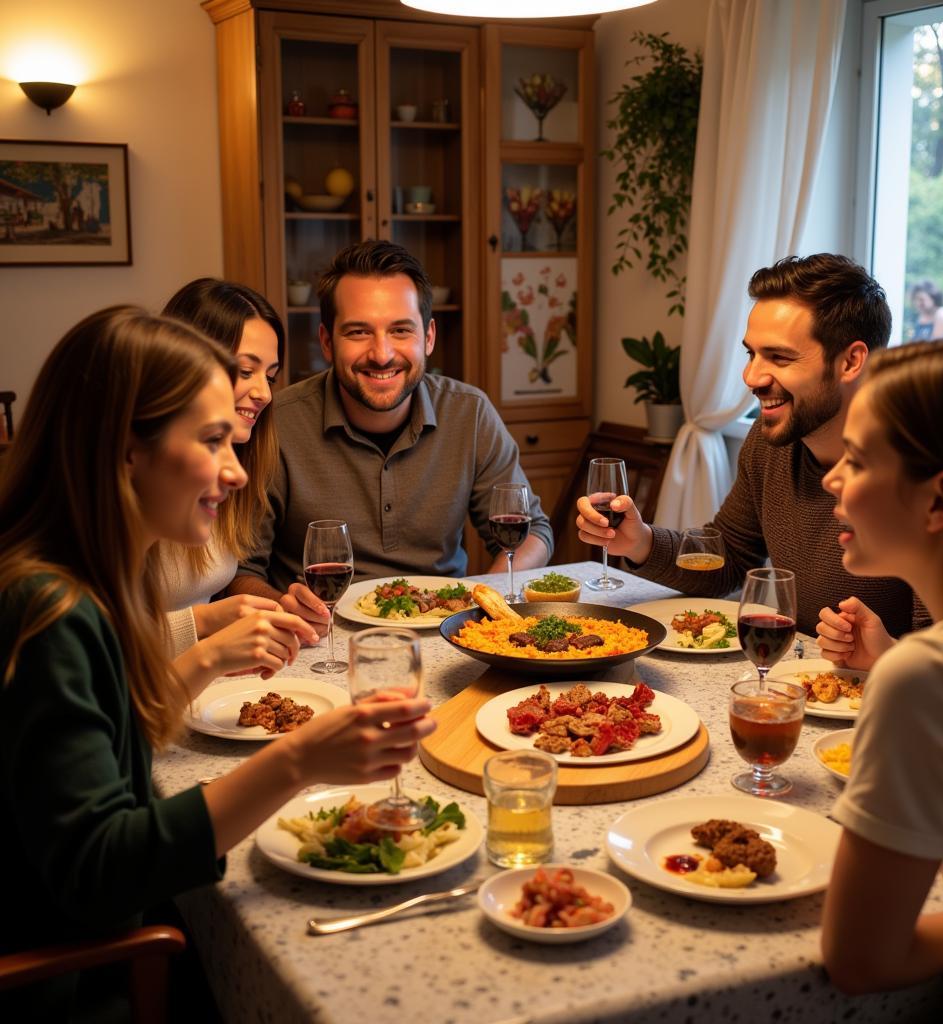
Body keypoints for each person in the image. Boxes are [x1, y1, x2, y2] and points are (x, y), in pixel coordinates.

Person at [0, 307, 436, 1019]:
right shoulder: (48, 612)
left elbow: (111, 751)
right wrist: (297, 760)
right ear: (125, 450)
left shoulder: (81, 580)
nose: (237, 471)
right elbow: (102, 873)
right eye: (212, 441)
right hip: (90, 983)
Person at [818, 334, 943, 1021]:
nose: (831, 480)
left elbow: (861, 961)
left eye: (855, 459)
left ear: (939, 501)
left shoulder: (931, 677)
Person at [576, 253, 923, 637]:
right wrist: (640, 541)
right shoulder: (770, 439)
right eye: (751, 353)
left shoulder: (922, 465)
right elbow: (729, 560)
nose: (751, 376)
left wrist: (884, 656)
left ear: (851, 361)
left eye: (779, 357)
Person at [230, 240, 553, 632]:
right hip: (319, 641)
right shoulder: (277, 421)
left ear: (428, 337)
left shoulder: (470, 412)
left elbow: (532, 532)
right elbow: (241, 571)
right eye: (358, 332)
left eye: (401, 330)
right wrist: (285, 608)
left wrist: (489, 600)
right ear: (327, 342)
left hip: (449, 631)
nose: (381, 354)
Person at [159, 278, 293, 659]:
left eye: (270, 376)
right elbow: (86, 643)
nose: (265, 394)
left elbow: (223, 581)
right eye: (245, 371)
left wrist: (275, 603)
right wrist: (202, 623)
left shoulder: (232, 465)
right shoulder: (137, 480)